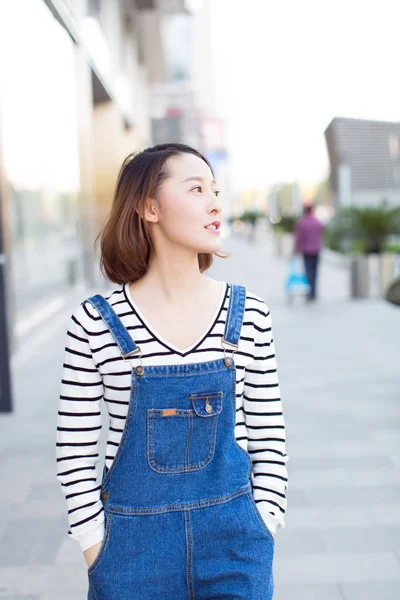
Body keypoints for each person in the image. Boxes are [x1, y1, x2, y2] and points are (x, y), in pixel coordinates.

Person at [56, 143, 289, 599]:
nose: (215, 202)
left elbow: (270, 439)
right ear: (149, 208)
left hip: (236, 547)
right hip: (128, 557)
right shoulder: (94, 323)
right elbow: (75, 455)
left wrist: (263, 525)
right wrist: (95, 550)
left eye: (216, 190)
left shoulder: (249, 315)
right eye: (196, 188)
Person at [293, 203, 324, 302]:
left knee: (308, 272)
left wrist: (296, 249)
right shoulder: (317, 222)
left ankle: (309, 293)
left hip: (306, 251)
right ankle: (313, 293)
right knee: (315, 272)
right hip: (316, 250)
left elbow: (299, 238)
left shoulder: (302, 222)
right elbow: (321, 233)